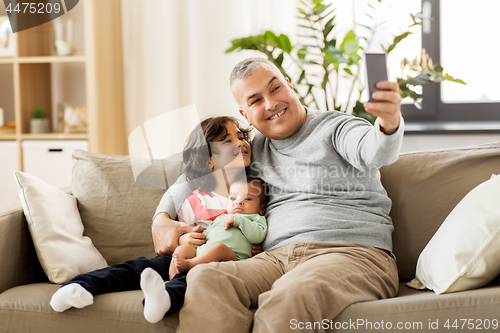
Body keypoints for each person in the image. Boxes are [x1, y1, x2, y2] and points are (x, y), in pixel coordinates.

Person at [152, 57, 404, 333]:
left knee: (290, 295)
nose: (270, 104)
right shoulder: (252, 149)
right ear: (245, 114)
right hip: (275, 259)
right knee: (206, 278)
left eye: (274, 89)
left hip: (351, 254)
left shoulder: (336, 128)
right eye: (256, 100)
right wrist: (161, 219)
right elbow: (192, 177)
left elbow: (375, 150)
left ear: (289, 85)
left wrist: (388, 123)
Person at [50, 116, 257, 319]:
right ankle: (79, 286)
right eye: (228, 141)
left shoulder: (253, 193)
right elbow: (180, 230)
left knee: (192, 278)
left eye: (241, 136)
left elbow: (260, 226)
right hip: (181, 256)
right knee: (136, 268)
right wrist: (182, 239)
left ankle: (163, 299)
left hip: (216, 264)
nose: (240, 142)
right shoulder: (195, 198)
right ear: (208, 161)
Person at [141, 176, 267, 323]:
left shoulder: (256, 219)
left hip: (232, 258)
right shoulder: (221, 218)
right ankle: (172, 281)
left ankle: (190, 265)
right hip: (206, 252)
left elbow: (258, 236)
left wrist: (238, 220)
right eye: (233, 198)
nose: (239, 202)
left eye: (248, 199)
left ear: (262, 208)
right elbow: (208, 234)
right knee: (182, 251)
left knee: (219, 248)